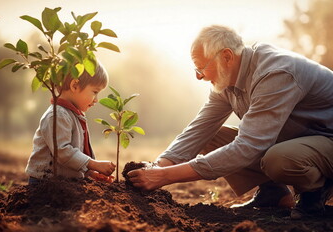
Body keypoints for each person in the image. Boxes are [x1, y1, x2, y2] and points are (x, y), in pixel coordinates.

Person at [127, 25, 333, 219]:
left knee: (279, 160)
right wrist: (157, 166)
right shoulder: (227, 81)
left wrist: (166, 177)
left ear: (226, 56)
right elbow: (200, 129)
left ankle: (315, 191)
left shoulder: (275, 74)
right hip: (302, 138)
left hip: (327, 139)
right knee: (212, 136)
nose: (199, 77)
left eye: (201, 68)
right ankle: (273, 192)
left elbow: (249, 146)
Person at [26, 63, 116, 185]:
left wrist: (90, 172)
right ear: (74, 85)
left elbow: (76, 153)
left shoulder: (74, 115)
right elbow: (63, 152)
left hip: (64, 183)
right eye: (95, 92)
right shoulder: (57, 115)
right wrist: (93, 164)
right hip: (45, 183)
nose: (96, 100)